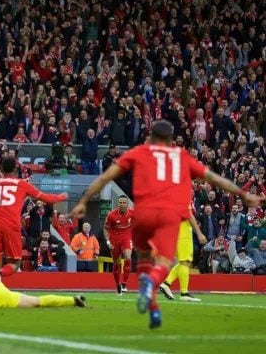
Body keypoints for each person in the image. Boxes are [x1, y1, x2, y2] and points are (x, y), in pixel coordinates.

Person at [70, 120, 264, 329]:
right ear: (171, 138)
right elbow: (215, 179)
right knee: (165, 262)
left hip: (143, 213)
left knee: (144, 257)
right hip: (168, 215)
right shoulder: (181, 156)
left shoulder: (139, 152)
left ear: (151, 136)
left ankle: (153, 309)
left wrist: (83, 200)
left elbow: (106, 176)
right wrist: (243, 195)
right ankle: (150, 286)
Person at [0, 156, 67, 280]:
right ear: (15, 168)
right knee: (15, 263)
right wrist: (62, 196)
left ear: (1, 169)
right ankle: (1, 273)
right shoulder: (22, 184)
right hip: (11, 225)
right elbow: (46, 198)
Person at [159, 206, 207, 302]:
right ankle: (184, 293)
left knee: (183, 262)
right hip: (183, 230)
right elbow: (189, 215)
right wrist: (199, 233)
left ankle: (166, 284)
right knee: (185, 261)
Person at [104, 195, 134, 295]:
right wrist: (108, 241)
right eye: (120, 202)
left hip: (126, 238)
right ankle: (118, 285)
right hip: (114, 240)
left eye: (124, 203)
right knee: (116, 264)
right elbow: (106, 229)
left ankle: (124, 283)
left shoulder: (132, 214)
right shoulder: (111, 215)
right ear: (118, 204)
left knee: (128, 258)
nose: (122, 204)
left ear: (127, 204)